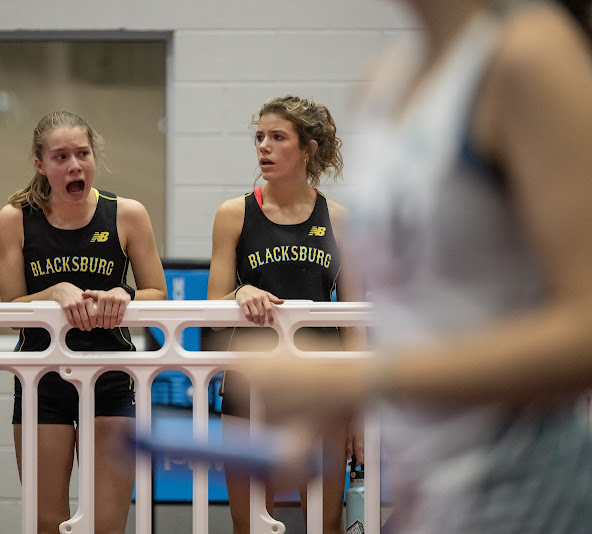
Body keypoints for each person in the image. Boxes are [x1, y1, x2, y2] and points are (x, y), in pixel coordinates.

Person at [243, 1, 592, 533]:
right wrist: (329, 405)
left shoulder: (528, 55)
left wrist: (362, 378)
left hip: (520, 480)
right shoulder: (382, 83)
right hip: (424, 485)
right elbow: (421, 311)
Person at [0, 110, 167, 534]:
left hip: (111, 377)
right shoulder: (15, 217)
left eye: (82, 153)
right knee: (48, 523)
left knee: (108, 523)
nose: (74, 165)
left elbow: (157, 293)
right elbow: (11, 306)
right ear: (41, 165)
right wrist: (54, 291)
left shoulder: (126, 214)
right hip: (42, 378)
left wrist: (123, 293)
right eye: (60, 157)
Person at [207, 95, 366, 534]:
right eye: (260, 137)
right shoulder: (233, 214)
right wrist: (240, 293)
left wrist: (359, 411)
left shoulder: (340, 220)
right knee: (252, 525)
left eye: (278, 137)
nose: (264, 147)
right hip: (251, 381)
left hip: (322, 384)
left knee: (323, 523)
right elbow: (212, 309)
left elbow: (355, 320)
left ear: (308, 149)